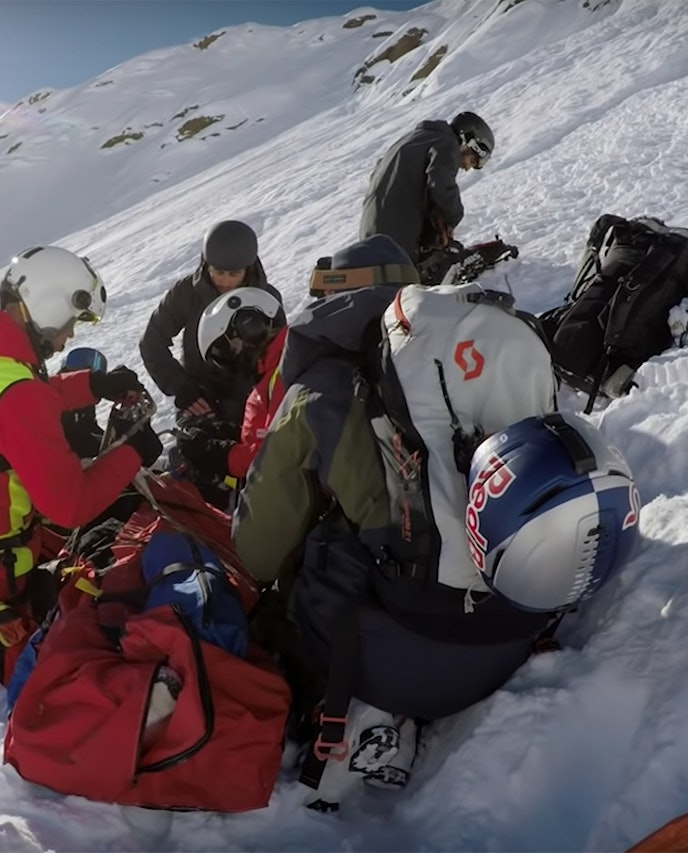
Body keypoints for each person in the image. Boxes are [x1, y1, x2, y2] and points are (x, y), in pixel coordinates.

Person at [232, 236, 641, 809]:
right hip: (512, 630)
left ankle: (351, 723)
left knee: (307, 557)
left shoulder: (320, 389)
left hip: (392, 660)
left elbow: (257, 551)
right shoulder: (488, 347)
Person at [0, 245, 164, 685]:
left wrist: (93, 384)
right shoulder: (15, 389)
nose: (68, 337)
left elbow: (19, 403)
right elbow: (69, 506)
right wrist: (134, 452)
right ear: (48, 308)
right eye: (69, 324)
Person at [139, 220, 286, 429]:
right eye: (217, 272)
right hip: (200, 398)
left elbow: (280, 354)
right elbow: (152, 341)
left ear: (248, 268)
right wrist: (182, 388)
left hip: (254, 397)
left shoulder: (267, 300)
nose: (224, 281)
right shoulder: (187, 292)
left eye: (233, 274)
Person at [359, 111, 495, 279]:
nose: (467, 167)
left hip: (371, 231)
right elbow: (441, 183)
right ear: (468, 141)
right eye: (472, 160)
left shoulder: (413, 139)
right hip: (395, 237)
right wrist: (453, 217)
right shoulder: (447, 143)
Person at [176, 288, 288, 487]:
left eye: (225, 349)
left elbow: (279, 462)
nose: (230, 360)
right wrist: (228, 433)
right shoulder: (275, 373)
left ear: (250, 328)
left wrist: (219, 454)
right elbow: (275, 435)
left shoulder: (285, 375)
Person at [58, 347, 108, 459]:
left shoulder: (82, 396)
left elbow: (89, 425)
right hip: (68, 460)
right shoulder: (59, 397)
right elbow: (77, 438)